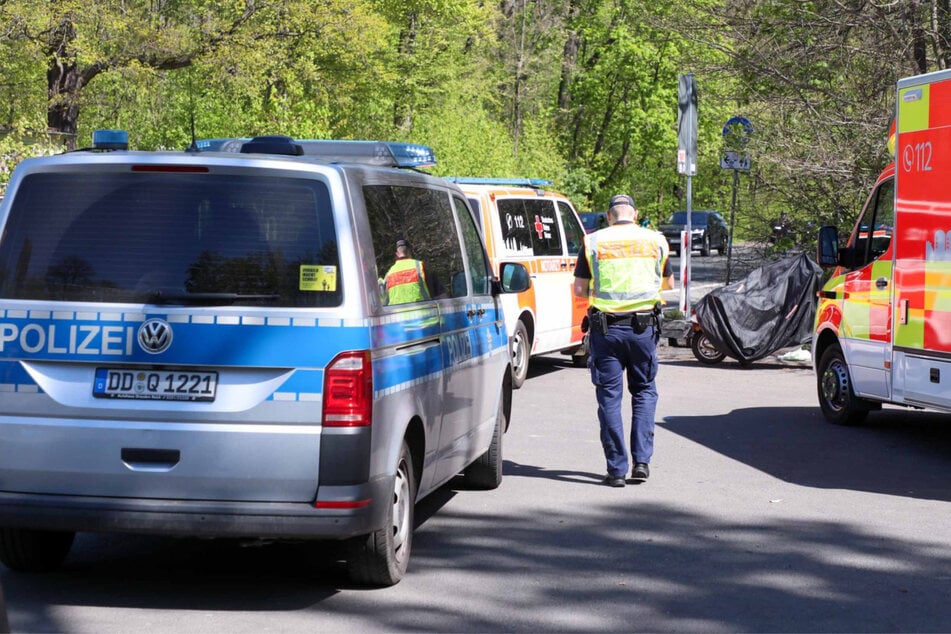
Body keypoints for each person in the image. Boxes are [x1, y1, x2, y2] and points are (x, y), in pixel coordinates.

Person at [572, 194, 675, 487]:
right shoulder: (656, 241)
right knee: (643, 391)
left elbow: (580, 289)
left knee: (609, 398)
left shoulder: (593, 242)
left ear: (608, 216)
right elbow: (668, 284)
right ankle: (641, 462)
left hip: (607, 331)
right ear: (635, 213)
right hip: (643, 330)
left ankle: (616, 470)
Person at [384, 239, 432, 305]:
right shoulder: (419, 266)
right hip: (421, 312)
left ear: (397, 254)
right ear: (409, 251)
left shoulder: (390, 273)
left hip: (398, 314)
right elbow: (436, 292)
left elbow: (385, 301)